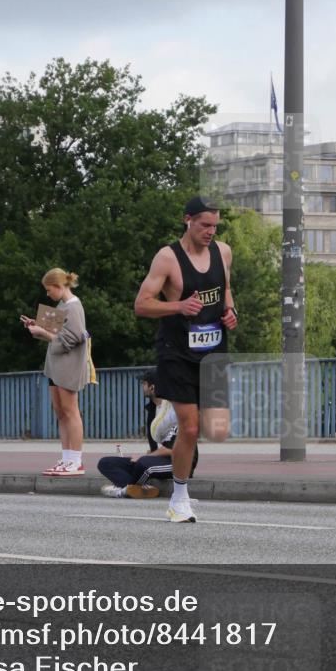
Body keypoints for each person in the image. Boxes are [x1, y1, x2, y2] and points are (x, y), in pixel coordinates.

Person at [134, 196, 237, 523]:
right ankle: (179, 498)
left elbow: (225, 289)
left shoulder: (223, 252)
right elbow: (142, 304)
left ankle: (178, 465)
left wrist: (230, 311)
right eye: (205, 225)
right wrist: (178, 306)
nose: (211, 231)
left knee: (213, 427)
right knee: (189, 428)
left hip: (213, 352)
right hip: (176, 352)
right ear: (187, 220)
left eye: (215, 226)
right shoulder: (167, 258)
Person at [22, 268, 90, 477]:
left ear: (59, 286)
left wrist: (43, 331)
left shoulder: (74, 307)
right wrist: (37, 327)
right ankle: (67, 458)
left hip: (68, 367)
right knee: (61, 412)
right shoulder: (61, 306)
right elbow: (54, 334)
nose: (47, 293)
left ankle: (76, 461)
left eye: (49, 289)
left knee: (70, 411)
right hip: (56, 366)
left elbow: (73, 339)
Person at [98, 368, 198, 498]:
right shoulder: (152, 410)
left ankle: (125, 489)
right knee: (106, 463)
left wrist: (145, 457)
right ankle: (135, 489)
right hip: (156, 460)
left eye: (144, 383)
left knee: (143, 464)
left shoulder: (174, 410)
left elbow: (171, 449)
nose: (142, 387)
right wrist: (148, 455)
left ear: (152, 387)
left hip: (180, 462)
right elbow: (157, 445)